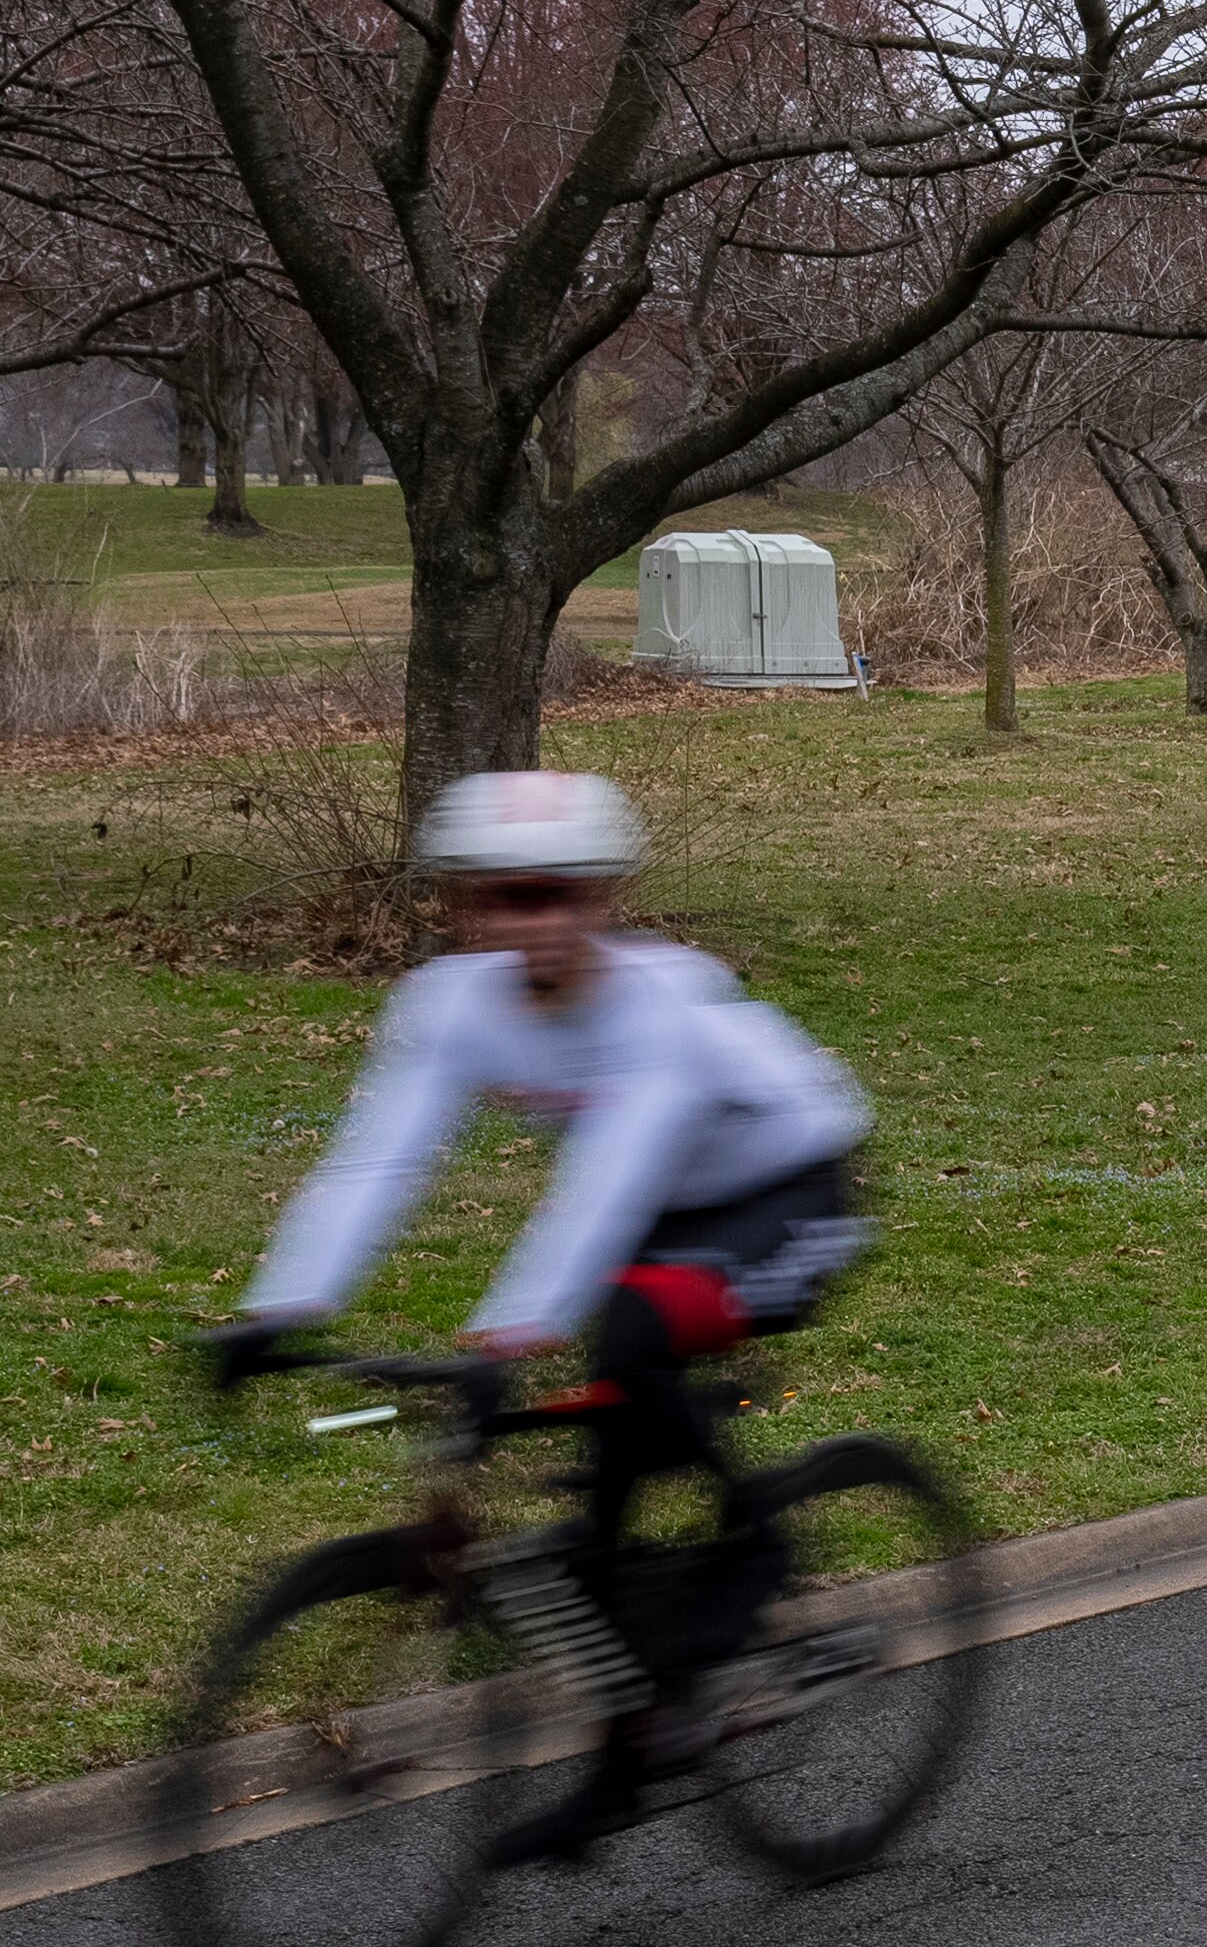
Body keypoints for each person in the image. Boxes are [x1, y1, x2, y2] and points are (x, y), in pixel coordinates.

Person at [211, 767, 875, 1844]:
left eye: (564, 893)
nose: (540, 921)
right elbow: (379, 1158)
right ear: (465, 903)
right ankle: (634, 1746)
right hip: (664, 1208)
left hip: (788, 1185)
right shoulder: (448, 1005)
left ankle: (755, 1554)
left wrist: (509, 1336)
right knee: (597, 1488)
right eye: (509, 896)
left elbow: (602, 1181)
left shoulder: (658, 1001)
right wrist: (275, 1309)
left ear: (606, 896)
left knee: (630, 1336)